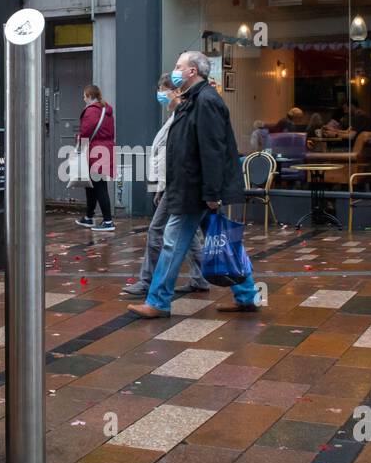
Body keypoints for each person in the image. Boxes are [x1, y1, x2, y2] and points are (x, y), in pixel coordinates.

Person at [128, 51, 260, 319]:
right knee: (227, 243)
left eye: (179, 66)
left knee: (171, 244)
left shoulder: (206, 102)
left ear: (192, 72)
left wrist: (211, 193)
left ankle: (158, 301)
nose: (174, 70)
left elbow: (212, 151)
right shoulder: (193, 100)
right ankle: (246, 296)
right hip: (192, 188)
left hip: (195, 191)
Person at [121, 75, 209, 299]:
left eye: (163, 89)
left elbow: (171, 156)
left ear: (176, 91)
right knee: (190, 233)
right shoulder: (175, 116)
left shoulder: (182, 116)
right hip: (177, 184)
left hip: (177, 184)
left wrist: (162, 186)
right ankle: (200, 278)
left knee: (156, 231)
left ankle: (147, 281)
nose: (160, 94)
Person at [75, 84, 116, 232]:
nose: (83, 98)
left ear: (90, 96)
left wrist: (78, 140)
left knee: (99, 187)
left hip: (96, 152)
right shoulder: (106, 110)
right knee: (91, 185)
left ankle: (108, 221)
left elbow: (85, 132)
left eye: (84, 95)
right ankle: (89, 217)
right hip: (105, 150)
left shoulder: (92, 111)